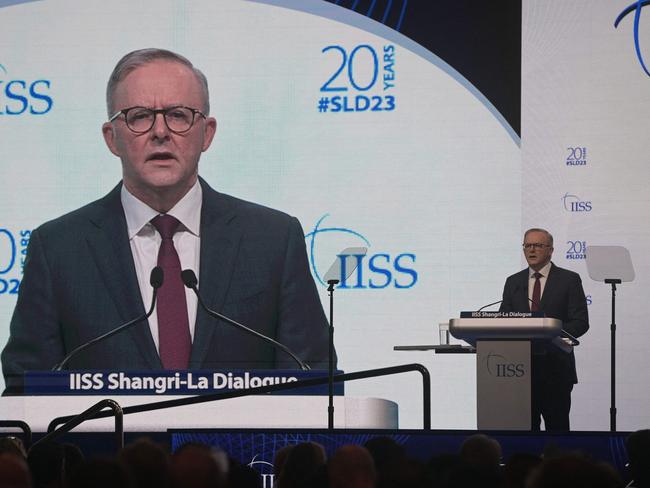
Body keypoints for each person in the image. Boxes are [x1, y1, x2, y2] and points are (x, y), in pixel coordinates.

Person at [1, 48, 332, 394]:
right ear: (112, 137)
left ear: (207, 133)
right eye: (139, 116)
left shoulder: (273, 240)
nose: (160, 131)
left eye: (178, 115)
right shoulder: (57, 249)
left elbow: (313, 379)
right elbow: (26, 390)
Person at [499, 228, 589, 431]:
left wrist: (550, 333)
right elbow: (503, 320)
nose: (531, 250)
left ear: (551, 250)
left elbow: (580, 322)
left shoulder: (569, 280)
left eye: (537, 245)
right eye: (527, 245)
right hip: (519, 370)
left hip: (555, 369)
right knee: (524, 433)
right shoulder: (513, 282)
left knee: (557, 432)